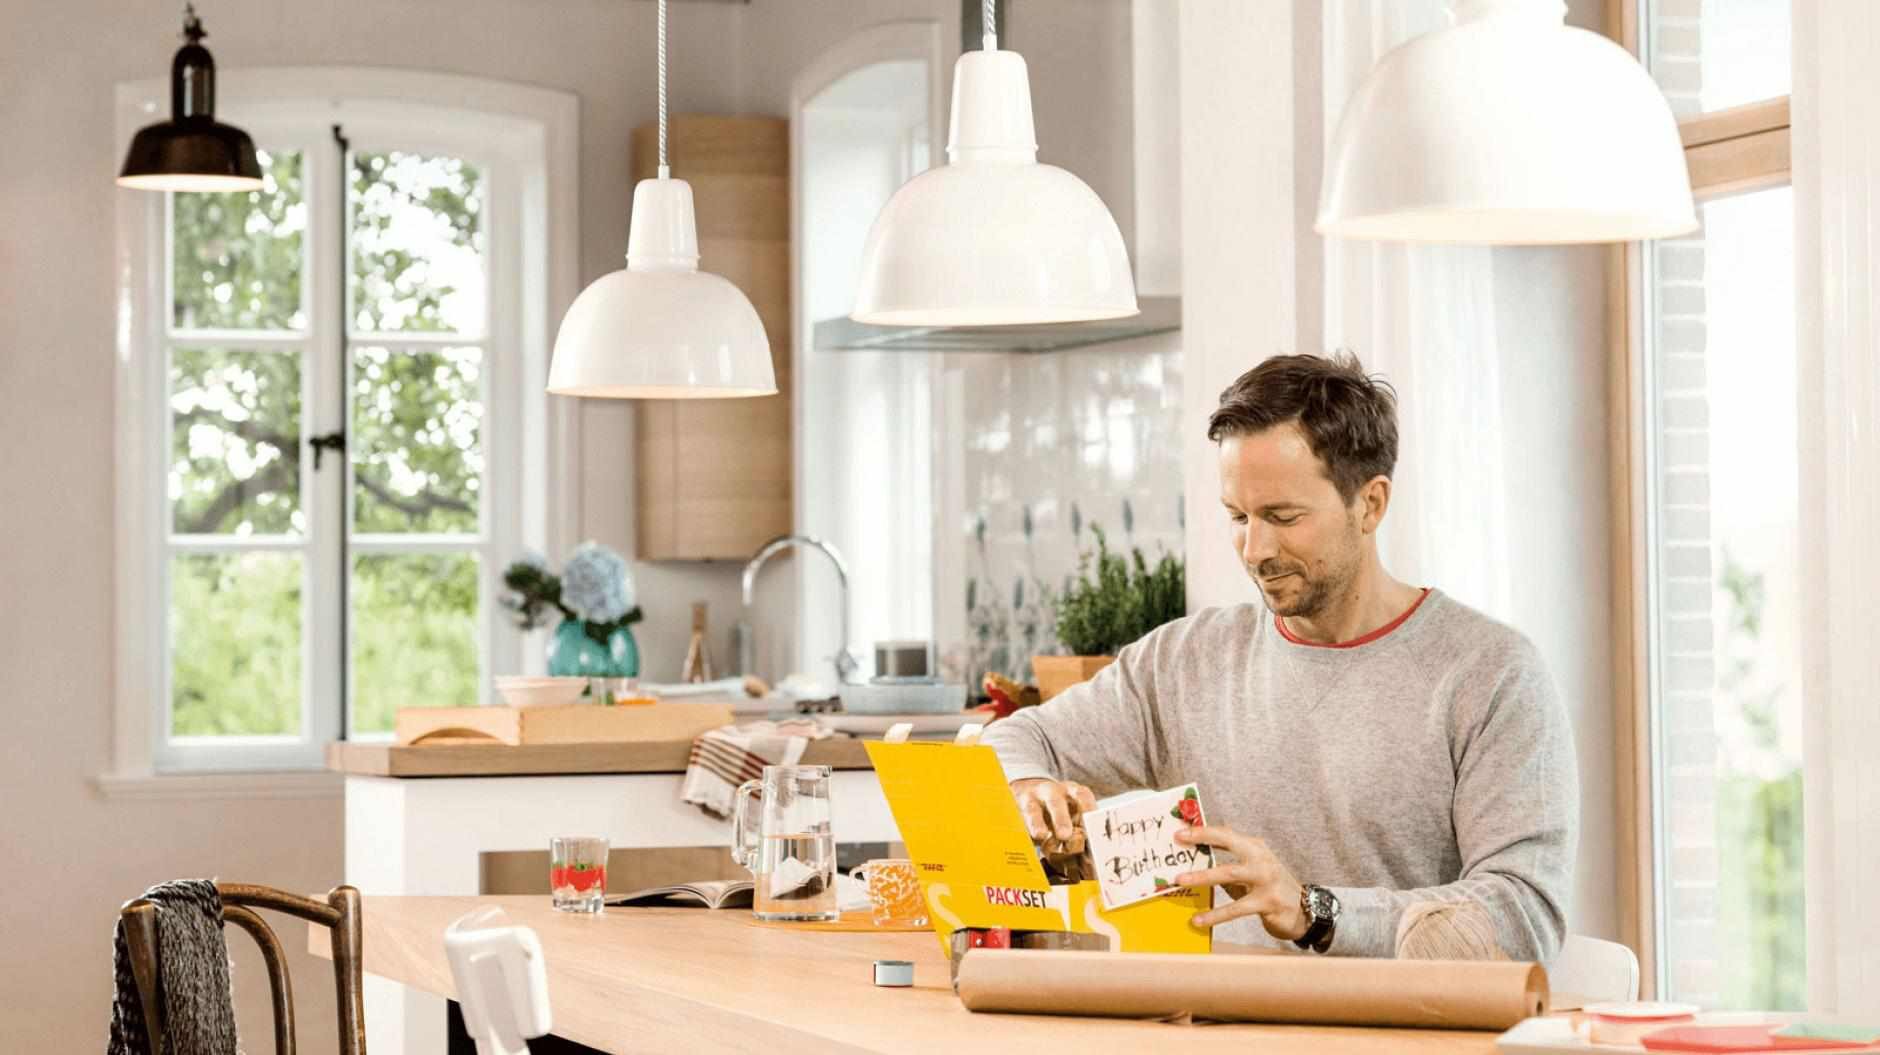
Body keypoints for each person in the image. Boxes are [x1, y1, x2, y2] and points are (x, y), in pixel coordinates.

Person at [980, 353, 1578, 960]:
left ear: (1370, 504)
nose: (1255, 548)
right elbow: (1016, 738)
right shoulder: (1186, 661)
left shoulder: (1491, 673)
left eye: (1282, 517)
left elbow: (1523, 915)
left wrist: (1314, 911)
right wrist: (1030, 786)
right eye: (1237, 516)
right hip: (1216, 1029)